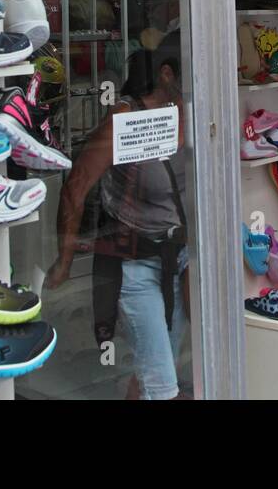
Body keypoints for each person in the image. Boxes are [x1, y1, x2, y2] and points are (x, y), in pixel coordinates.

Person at [45, 31, 190, 400]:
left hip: (180, 258)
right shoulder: (126, 118)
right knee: (162, 386)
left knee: (152, 376)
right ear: (169, 76)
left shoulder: (190, 112)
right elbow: (76, 185)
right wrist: (63, 260)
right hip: (135, 263)